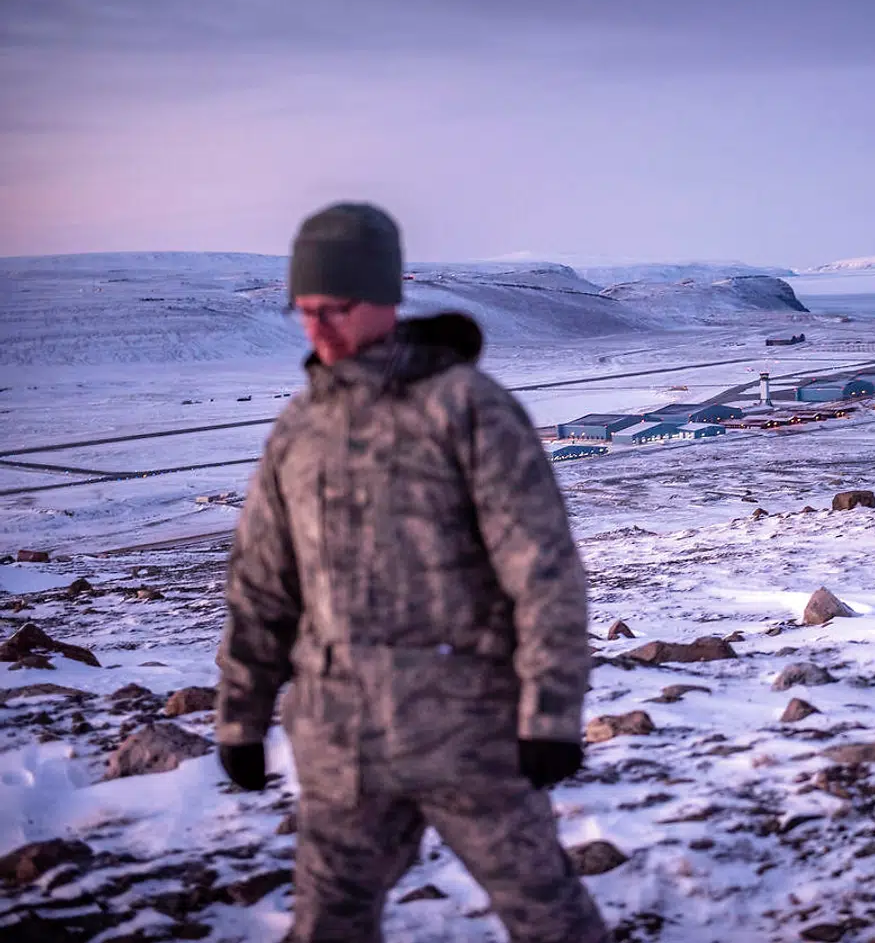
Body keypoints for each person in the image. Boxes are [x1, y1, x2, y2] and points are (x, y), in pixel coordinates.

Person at [215, 203, 607, 943]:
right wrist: (240, 715)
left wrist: (551, 714)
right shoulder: (300, 429)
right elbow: (263, 586)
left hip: (470, 734)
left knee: (550, 917)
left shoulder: (468, 409)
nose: (316, 328)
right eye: (304, 310)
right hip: (341, 747)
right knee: (327, 924)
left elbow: (544, 571)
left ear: (385, 300)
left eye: (335, 308)